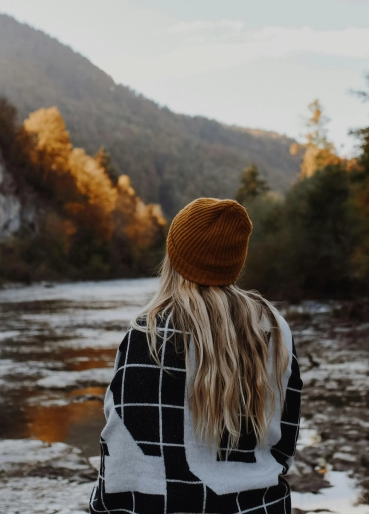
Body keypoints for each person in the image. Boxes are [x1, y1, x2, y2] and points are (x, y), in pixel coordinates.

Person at [90, 197, 302, 514]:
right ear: (236, 262)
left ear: (174, 257)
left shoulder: (146, 334)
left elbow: (121, 448)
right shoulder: (274, 328)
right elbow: (285, 443)